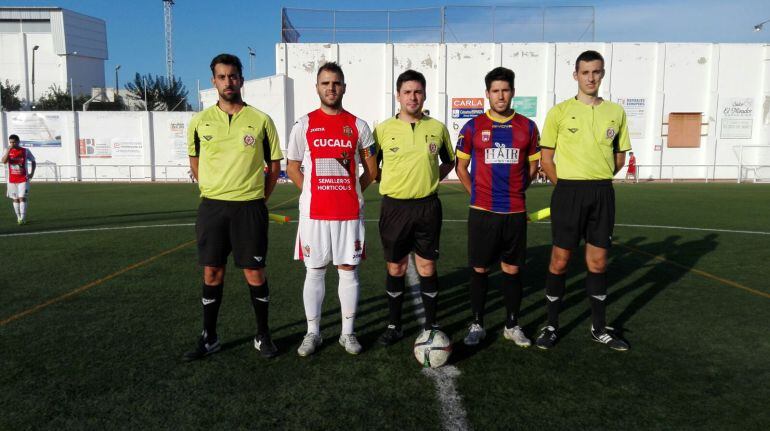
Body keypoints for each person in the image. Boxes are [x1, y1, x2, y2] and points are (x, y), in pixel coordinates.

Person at [183, 53, 284, 361]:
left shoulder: (261, 120)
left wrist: (257, 199)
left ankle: (262, 335)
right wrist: (212, 189)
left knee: (254, 272)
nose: (228, 81)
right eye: (222, 76)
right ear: (214, 81)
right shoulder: (200, 122)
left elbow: (275, 163)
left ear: (241, 79)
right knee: (212, 272)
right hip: (213, 208)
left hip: (249, 209)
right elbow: (195, 160)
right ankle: (209, 337)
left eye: (233, 76)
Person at [535, 50, 631, 351]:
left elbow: (619, 156)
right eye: (585, 72)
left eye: (596, 72)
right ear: (575, 75)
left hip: (602, 192)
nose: (591, 78)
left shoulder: (616, 112)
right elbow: (546, 159)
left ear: (602, 74)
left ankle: (599, 327)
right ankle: (551, 324)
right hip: (568, 192)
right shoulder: (559, 112)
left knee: (598, 262)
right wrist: (565, 188)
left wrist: (597, 177)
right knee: (560, 260)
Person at [286, 62, 377, 356]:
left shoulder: (358, 125)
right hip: (314, 214)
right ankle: (313, 333)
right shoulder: (304, 124)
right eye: (325, 83)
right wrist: (313, 192)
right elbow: (292, 166)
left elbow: (372, 171)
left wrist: (351, 192)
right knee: (314, 271)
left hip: (348, 213)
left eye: (336, 83)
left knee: (348, 272)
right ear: (317, 88)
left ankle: (347, 334)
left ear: (344, 87)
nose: (331, 88)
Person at [454, 67, 540, 347]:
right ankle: (477, 323)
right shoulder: (473, 127)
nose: (500, 96)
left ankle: (512, 325)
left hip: (514, 212)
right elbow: (461, 167)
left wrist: (516, 191)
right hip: (482, 212)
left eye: (505, 90)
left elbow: (533, 165)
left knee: (512, 270)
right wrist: (476, 193)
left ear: (512, 92)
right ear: (487, 94)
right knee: (480, 269)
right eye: (495, 91)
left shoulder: (527, 127)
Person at [374, 69, 455, 345]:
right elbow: (374, 168)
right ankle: (394, 325)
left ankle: (431, 324)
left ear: (424, 94)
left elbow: (449, 161)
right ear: (398, 96)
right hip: (394, 208)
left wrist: (432, 178)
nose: (413, 97)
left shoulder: (437, 128)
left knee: (427, 267)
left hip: (427, 207)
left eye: (417, 91)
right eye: (407, 92)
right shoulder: (383, 129)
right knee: (395, 268)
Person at [2, 134, 36, 225]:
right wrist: (9, 150)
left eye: (14, 142)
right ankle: (18, 218)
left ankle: (23, 218)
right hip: (12, 180)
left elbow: (33, 161)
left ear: (18, 141)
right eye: (10, 142)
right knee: (15, 199)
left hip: (23, 178)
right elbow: (3, 161)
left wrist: (32, 173)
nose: (12, 143)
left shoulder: (25, 151)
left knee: (22, 198)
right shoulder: (7, 150)